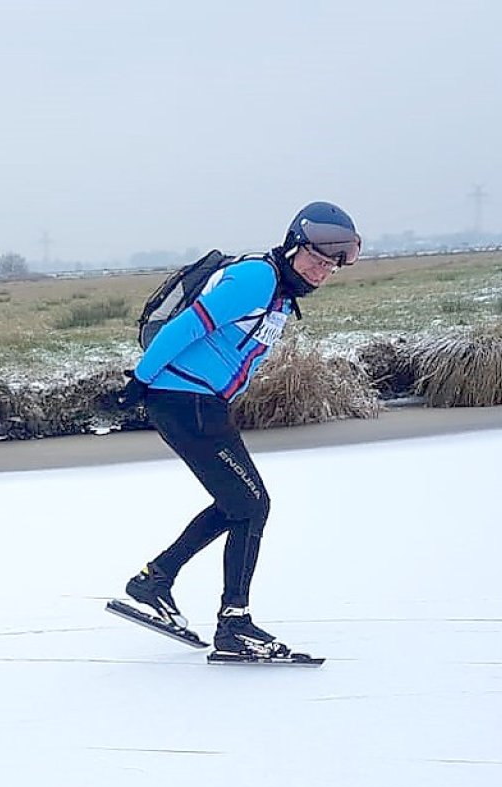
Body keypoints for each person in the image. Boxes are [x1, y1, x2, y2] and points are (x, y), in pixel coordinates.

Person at [117, 201, 361, 659]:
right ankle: (234, 623)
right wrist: (141, 380)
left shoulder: (281, 296)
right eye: (316, 259)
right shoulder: (257, 279)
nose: (322, 271)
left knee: (238, 504)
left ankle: (155, 581)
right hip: (183, 399)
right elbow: (187, 327)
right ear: (293, 247)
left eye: (331, 266)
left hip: (200, 404)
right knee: (252, 505)